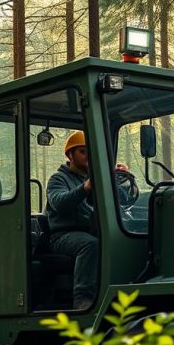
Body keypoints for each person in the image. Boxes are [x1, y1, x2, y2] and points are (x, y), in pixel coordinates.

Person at [45, 131, 132, 311]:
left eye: (90, 153)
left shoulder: (96, 178)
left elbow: (123, 200)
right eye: (83, 152)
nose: (88, 157)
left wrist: (121, 180)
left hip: (91, 230)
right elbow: (60, 203)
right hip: (63, 236)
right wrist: (85, 187)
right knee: (91, 245)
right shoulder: (58, 179)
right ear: (70, 154)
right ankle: (82, 298)